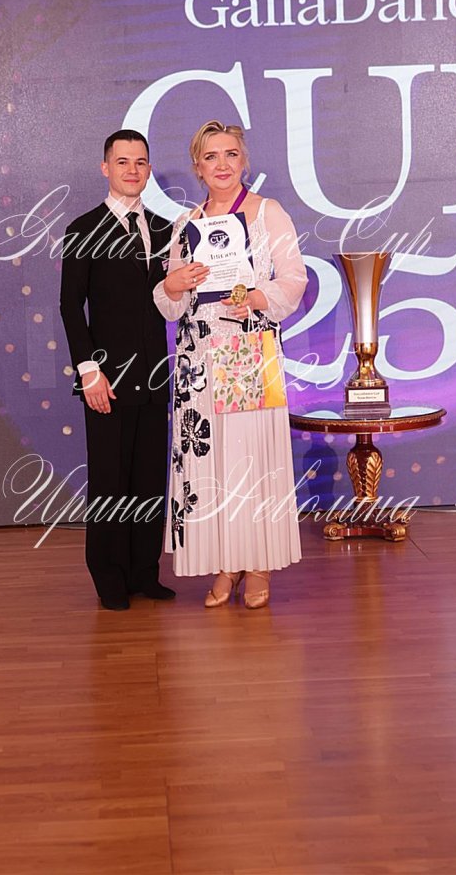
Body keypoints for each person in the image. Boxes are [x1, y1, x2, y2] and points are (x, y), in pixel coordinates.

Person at [153, 121, 308, 609]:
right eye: (211, 156)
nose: (222, 164)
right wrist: (172, 285)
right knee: (210, 463)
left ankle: (257, 562)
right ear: (197, 168)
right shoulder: (186, 225)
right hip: (198, 357)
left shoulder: (267, 213)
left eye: (231, 154)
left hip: (247, 349)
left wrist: (257, 297)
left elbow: (295, 279)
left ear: (244, 161)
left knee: (251, 457)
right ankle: (226, 560)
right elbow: (171, 303)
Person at [60, 129, 175, 611]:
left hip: (155, 376)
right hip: (106, 379)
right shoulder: (83, 228)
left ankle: (144, 572)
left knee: (148, 479)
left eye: (141, 162)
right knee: (110, 480)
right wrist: (89, 370)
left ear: (149, 169)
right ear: (105, 167)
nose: (132, 170)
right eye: (123, 161)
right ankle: (108, 576)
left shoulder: (166, 230)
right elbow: (70, 306)